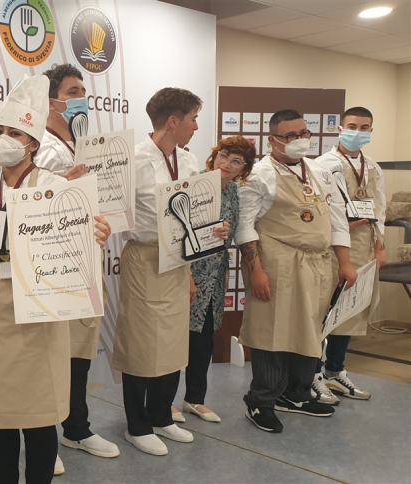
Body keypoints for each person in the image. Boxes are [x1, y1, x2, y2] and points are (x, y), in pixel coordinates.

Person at [0, 75, 111, 484]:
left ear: (32, 143)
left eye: (15, 133)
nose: (5, 139)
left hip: (41, 313)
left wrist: (95, 234)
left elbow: (79, 248)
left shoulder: (57, 188)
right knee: (1, 416)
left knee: (41, 414)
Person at [237, 109, 356, 434]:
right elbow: (245, 226)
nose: (299, 140)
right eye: (290, 135)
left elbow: (336, 218)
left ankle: (296, 393)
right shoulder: (259, 175)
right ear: (273, 139)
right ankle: (260, 399)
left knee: (310, 332)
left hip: (318, 265)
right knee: (273, 331)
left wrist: (344, 262)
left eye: (303, 132)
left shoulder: (319, 171)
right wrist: (256, 270)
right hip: (278, 264)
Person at [112, 87, 211, 456]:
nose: (196, 127)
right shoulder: (133, 160)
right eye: (193, 119)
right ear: (173, 121)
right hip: (145, 257)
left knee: (172, 341)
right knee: (142, 343)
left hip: (177, 261)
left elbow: (194, 215)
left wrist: (190, 267)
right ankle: (137, 425)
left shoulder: (188, 161)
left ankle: (161, 416)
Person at [35, 64, 119, 471]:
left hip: (89, 255)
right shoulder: (40, 146)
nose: (81, 98)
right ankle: (44, 437)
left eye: (84, 90)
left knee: (80, 351)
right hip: (55, 263)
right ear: (52, 101)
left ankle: (76, 426)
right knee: (53, 351)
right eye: (73, 91)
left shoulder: (86, 144)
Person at [179, 136, 256, 423]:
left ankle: (195, 399)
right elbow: (176, 232)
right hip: (188, 271)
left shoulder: (235, 192)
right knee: (177, 339)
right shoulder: (195, 184)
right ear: (214, 156)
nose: (227, 163)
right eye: (223, 155)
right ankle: (164, 402)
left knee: (204, 339)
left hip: (215, 274)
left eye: (236, 161)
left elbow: (234, 231)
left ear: (243, 170)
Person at [311, 106, 385, 403]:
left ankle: (335, 370)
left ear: (370, 131)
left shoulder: (373, 167)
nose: (358, 131)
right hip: (334, 249)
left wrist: (380, 246)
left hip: (365, 246)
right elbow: (319, 208)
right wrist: (344, 224)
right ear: (339, 129)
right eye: (352, 125)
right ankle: (313, 374)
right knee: (326, 312)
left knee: (351, 312)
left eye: (364, 127)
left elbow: (379, 209)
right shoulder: (322, 165)